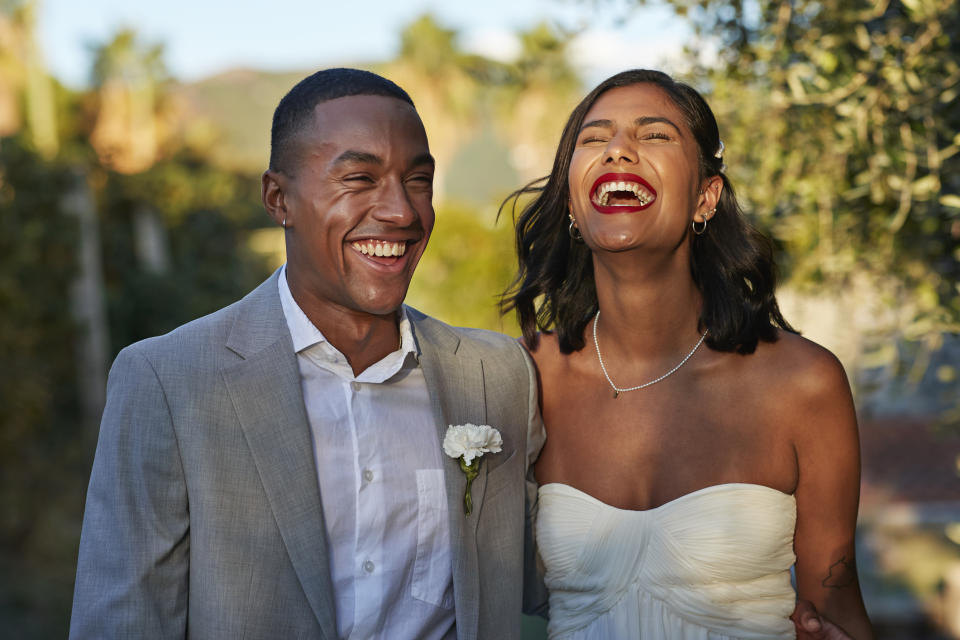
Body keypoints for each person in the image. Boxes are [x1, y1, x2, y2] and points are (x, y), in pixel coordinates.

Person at [70, 68, 544, 640]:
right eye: (359, 179)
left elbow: (560, 574)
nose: (401, 212)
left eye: (418, 180)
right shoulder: (169, 382)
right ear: (279, 199)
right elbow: (124, 623)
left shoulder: (498, 376)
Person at [503, 69, 873, 639]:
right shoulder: (523, 377)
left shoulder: (803, 382)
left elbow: (836, 611)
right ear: (574, 204)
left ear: (706, 197)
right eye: (595, 138)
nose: (619, 150)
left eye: (653, 136)